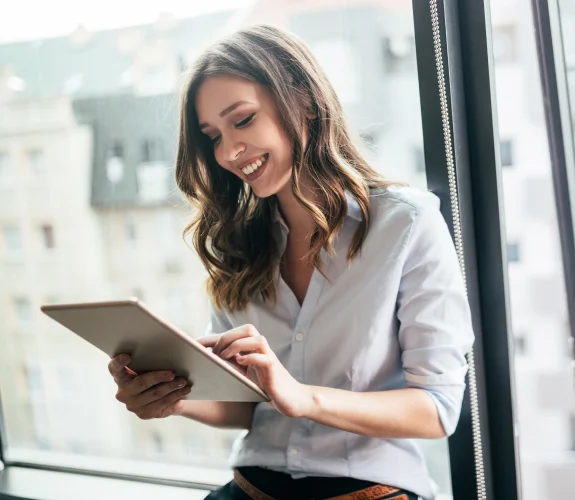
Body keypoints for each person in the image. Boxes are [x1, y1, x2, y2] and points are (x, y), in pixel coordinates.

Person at [107, 25, 474, 500]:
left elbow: (437, 408)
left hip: (369, 488)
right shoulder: (238, 242)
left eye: (242, 120)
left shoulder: (407, 224)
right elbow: (247, 407)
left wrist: (302, 397)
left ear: (301, 100)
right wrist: (171, 400)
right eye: (213, 136)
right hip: (249, 488)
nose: (228, 152)